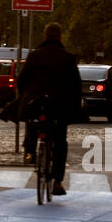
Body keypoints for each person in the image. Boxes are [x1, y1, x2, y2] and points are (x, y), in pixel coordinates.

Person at [16, 22, 83, 196]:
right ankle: (58, 182)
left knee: (31, 122)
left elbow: (22, 80)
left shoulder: (34, 56)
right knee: (60, 142)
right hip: (59, 106)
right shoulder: (68, 58)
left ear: (45, 37)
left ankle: (30, 151)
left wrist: (23, 97)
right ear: (59, 37)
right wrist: (75, 105)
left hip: (36, 103)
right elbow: (76, 85)